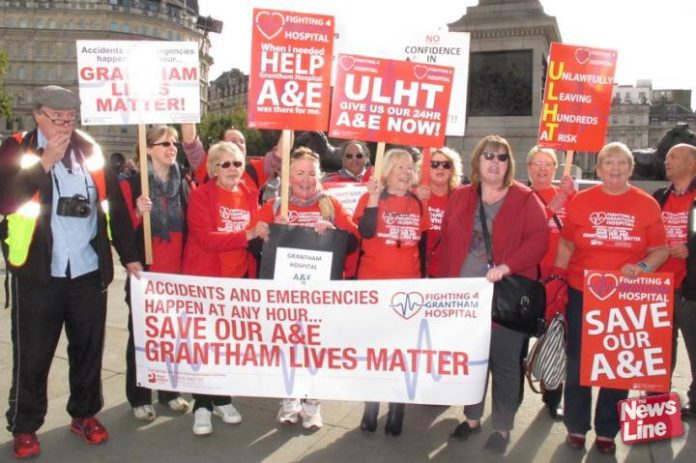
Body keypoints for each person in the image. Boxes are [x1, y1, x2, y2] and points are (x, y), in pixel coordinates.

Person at [0, 85, 142, 459]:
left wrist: (130, 255)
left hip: (87, 270)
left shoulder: (91, 150)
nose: (65, 125)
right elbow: (5, 198)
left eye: (70, 118)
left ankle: (84, 414)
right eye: (57, 118)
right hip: (37, 273)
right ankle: (25, 425)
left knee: (88, 351)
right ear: (38, 115)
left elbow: (113, 209)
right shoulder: (17, 147)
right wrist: (42, 162)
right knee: (32, 355)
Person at [552, 142, 668, 454]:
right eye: (608, 163)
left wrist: (642, 267)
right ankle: (576, 427)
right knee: (578, 363)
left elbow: (661, 250)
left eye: (621, 163)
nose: (615, 169)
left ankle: (607, 431)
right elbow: (566, 244)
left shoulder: (646, 204)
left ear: (631, 169)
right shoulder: (581, 201)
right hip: (581, 292)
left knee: (617, 365)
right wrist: (558, 282)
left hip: (625, 298)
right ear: (599, 169)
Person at [438, 135, 548, 454]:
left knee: (504, 363)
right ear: (478, 161)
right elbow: (447, 242)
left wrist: (508, 266)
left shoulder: (524, 198)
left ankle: (501, 426)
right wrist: (444, 288)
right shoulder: (460, 196)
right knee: (472, 362)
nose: (495, 162)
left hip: (503, 301)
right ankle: (472, 417)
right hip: (465, 300)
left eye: (501, 157)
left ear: (509, 164)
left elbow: (539, 240)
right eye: (489, 156)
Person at [251, 147, 358, 429]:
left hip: (321, 298)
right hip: (285, 298)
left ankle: (313, 404)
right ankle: (289, 399)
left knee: (317, 350)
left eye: (312, 173)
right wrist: (267, 232)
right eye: (299, 173)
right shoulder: (275, 205)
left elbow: (354, 242)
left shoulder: (330, 204)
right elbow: (251, 244)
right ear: (287, 176)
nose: (306, 179)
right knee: (286, 348)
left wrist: (335, 233)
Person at [182, 141, 268, 435]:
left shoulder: (249, 192)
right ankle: (202, 405)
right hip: (209, 281)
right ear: (213, 168)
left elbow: (257, 228)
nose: (233, 169)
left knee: (230, 344)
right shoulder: (201, 195)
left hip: (239, 280)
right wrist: (246, 234)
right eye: (225, 164)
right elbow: (206, 238)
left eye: (238, 163)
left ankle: (223, 399)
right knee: (205, 344)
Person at [118, 125, 193, 422]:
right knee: (142, 335)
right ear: (147, 148)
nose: (171, 148)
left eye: (174, 143)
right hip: (145, 272)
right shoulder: (132, 183)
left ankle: (169, 391)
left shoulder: (182, 181)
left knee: (171, 335)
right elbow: (120, 227)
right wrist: (137, 213)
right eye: (164, 143)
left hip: (175, 272)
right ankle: (139, 396)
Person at [353, 148, 431, 436]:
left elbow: (421, 244)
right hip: (373, 285)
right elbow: (366, 232)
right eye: (398, 166)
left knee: (401, 350)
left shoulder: (418, 202)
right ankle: (371, 404)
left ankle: (397, 405)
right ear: (385, 171)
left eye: (409, 167)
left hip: (407, 289)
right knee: (374, 349)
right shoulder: (370, 197)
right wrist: (373, 199)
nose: (405, 171)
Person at [525, 145, 575, 420]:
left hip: (560, 282)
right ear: (528, 167)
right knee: (519, 343)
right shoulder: (519, 195)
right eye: (537, 163)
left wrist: (570, 196)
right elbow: (517, 233)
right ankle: (511, 401)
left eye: (548, 164)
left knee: (557, 340)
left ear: (556, 169)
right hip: (528, 281)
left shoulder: (569, 195)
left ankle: (552, 395)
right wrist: (549, 209)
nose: (542, 169)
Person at [653, 143, 696, 420]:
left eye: (674, 156)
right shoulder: (660, 196)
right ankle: (656, 401)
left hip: (690, 290)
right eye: (667, 157)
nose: (667, 161)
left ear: (693, 162)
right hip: (658, 288)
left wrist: (690, 249)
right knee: (658, 350)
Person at [181, 123, 281, 194]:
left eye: (242, 141)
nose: (239, 144)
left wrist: (290, 120)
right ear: (221, 146)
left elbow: (280, 153)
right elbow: (191, 143)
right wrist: (189, 106)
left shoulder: (254, 170)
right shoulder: (208, 165)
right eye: (233, 141)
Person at [414, 147, 463, 277]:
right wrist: (414, 203)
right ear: (425, 168)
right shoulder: (414, 195)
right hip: (419, 270)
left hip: (449, 272)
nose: (440, 168)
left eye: (446, 165)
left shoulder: (462, 197)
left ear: (452, 170)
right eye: (434, 164)